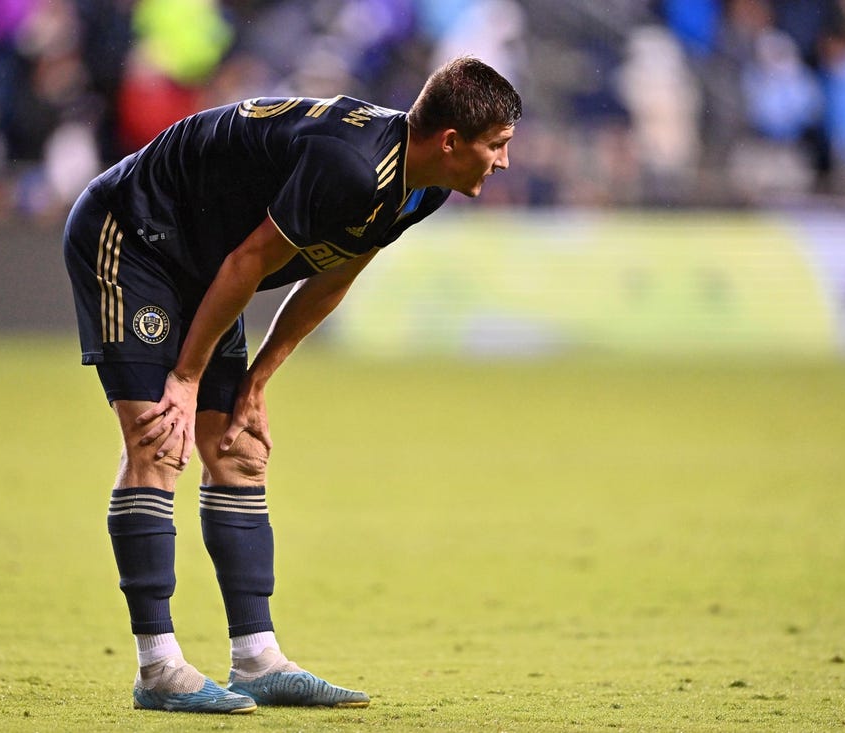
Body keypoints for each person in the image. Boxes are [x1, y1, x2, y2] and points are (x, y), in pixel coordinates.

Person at [62, 56, 521, 714]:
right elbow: (253, 259)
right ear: (451, 142)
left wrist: (256, 381)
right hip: (134, 233)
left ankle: (256, 658)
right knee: (159, 438)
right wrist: (186, 378)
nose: (503, 162)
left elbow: (334, 275)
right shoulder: (352, 165)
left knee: (240, 451)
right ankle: (157, 665)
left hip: (207, 260)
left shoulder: (422, 187)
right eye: (497, 146)